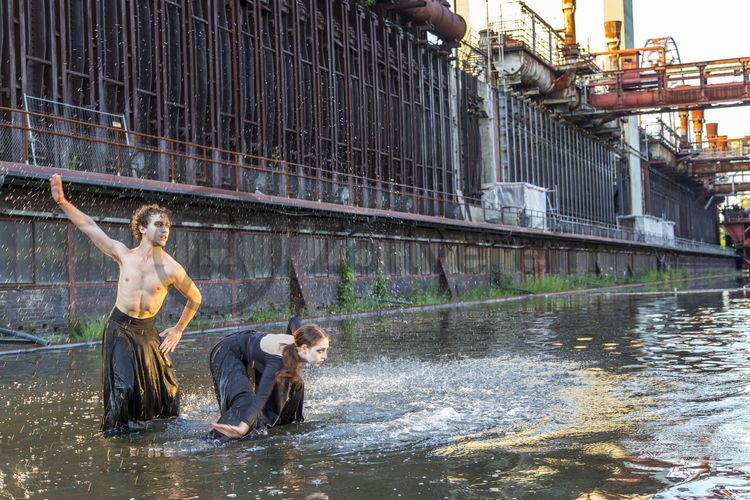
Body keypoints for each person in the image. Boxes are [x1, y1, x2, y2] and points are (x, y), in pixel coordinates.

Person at [49, 174, 202, 435]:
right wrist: (62, 201)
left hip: (148, 331)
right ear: (143, 228)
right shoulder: (124, 255)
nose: (165, 231)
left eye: (167, 227)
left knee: (168, 393)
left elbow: (195, 297)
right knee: (125, 387)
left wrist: (178, 330)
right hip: (119, 327)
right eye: (159, 225)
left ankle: (152, 434)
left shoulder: (171, 268)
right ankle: (120, 441)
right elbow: (89, 226)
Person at [209, 317, 329, 440]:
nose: (325, 356)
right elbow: (261, 396)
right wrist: (242, 428)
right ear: (304, 348)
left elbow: (294, 320)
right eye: (320, 351)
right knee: (245, 401)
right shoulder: (277, 362)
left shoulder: (302, 337)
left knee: (297, 384)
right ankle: (215, 439)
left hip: (251, 347)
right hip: (228, 351)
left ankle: (282, 426)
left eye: (326, 350)